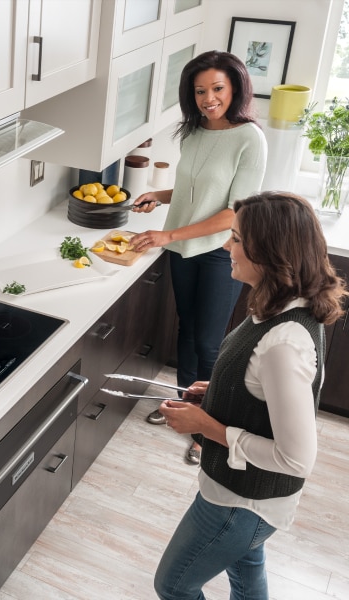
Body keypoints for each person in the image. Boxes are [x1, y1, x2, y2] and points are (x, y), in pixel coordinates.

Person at [153, 191, 347, 600]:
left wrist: (207, 427)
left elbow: (296, 460)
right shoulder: (279, 307)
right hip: (246, 502)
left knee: (173, 585)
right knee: (247, 567)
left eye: (236, 239)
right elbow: (263, 388)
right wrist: (221, 389)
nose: (226, 247)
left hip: (242, 504)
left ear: (271, 253)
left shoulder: (283, 343)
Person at [130, 50, 267, 465]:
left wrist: (168, 233)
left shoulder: (249, 138)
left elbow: (233, 210)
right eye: (200, 90)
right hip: (183, 249)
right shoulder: (192, 132)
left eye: (218, 89)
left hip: (218, 253)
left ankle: (208, 429)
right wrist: (160, 195)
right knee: (186, 332)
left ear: (235, 87)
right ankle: (183, 409)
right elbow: (195, 189)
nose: (209, 98)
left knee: (210, 344)